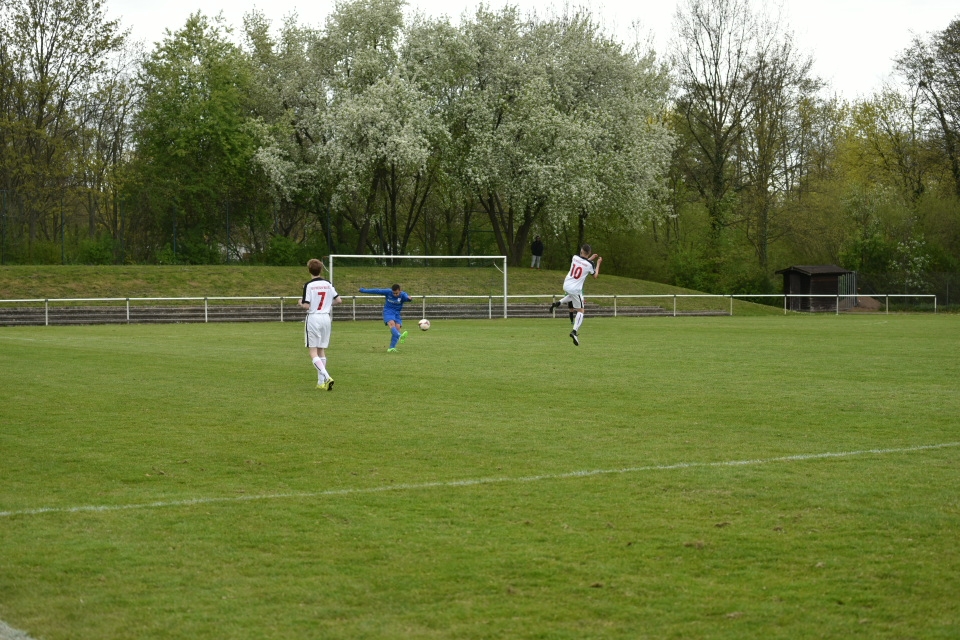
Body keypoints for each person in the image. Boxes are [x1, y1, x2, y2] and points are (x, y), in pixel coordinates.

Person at [300, 258, 342, 390]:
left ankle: (326, 376)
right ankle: (320, 383)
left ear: (309, 270)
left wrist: (299, 302)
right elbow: (339, 300)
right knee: (321, 350)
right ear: (321, 270)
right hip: (326, 318)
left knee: (313, 351)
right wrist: (327, 305)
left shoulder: (309, 285)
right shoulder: (328, 283)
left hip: (314, 318)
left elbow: (306, 306)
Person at [549, 244, 602, 346]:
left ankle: (558, 303)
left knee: (573, 297)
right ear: (589, 253)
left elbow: (583, 262)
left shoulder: (575, 257)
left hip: (566, 285)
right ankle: (574, 332)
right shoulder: (590, 265)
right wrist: (598, 263)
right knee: (581, 311)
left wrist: (591, 258)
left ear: (581, 251)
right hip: (575, 289)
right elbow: (595, 275)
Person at [359, 284, 413, 352]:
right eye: (394, 293)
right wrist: (363, 290)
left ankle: (391, 348)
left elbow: (407, 298)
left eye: (396, 293)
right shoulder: (388, 292)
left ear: (400, 290)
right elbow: (376, 291)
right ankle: (400, 336)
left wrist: (409, 299)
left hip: (397, 313)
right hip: (388, 311)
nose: (395, 294)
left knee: (397, 328)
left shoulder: (403, 295)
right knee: (391, 324)